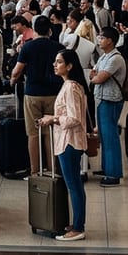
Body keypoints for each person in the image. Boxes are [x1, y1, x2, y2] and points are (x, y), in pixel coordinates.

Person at [37, 48, 90, 242]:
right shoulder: (69, 85)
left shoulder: (71, 87)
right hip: (67, 140)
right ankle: (76, 223)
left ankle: (78, 226)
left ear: (69, 66)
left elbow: (74, 118)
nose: (55, 64)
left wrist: (53, 119)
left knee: (74, 185)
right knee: (73, 185)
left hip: (70, 141)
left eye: (59, 62)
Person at [11, 15, 64, 176]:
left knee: (33, 134)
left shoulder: (28, 47)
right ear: (49, 30)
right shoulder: (58, 47)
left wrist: (13, 78)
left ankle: (35, 171)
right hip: (54, 94)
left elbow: (17, 70)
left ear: (34, 29)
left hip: (32, 93)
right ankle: (53, 169)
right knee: (51, 133)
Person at [89, 26, 127, 187]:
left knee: (110, 137)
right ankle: (106, 167)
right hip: (101, 98)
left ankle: (113, 173)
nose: (99, 39)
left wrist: (95, 76)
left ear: (110, 40)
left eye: (102, 37)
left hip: (111, 100)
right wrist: (95, 76)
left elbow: (98, 78)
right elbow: (94, 73)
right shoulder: (104, 57)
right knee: (104, 136)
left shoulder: (116, 58)